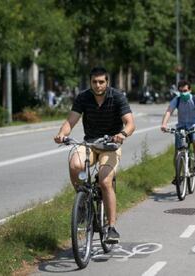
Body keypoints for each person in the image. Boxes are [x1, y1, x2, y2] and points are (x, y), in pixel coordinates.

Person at [54, 67, 135, 244]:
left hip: (110, 145)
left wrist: (122, 134)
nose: (97, 85)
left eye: (101, 82)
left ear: (107, 82)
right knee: (75, 164)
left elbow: (130, 123)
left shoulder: (117, 97)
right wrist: (62, 134)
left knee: (105, 181)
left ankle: (111, 227)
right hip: (89, 143)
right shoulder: (83, 97)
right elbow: (71, 121)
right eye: (94, 82)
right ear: (90, 82)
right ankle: (83, 203)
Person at [161, 80, 195, 182]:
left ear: (190, 90)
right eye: (181, 91)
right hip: (181, 126)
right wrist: (164, 124)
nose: (183, 93)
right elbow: (169, 111)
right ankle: (178, 175)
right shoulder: (177, 100)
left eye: (185, 90)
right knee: (178, 152)